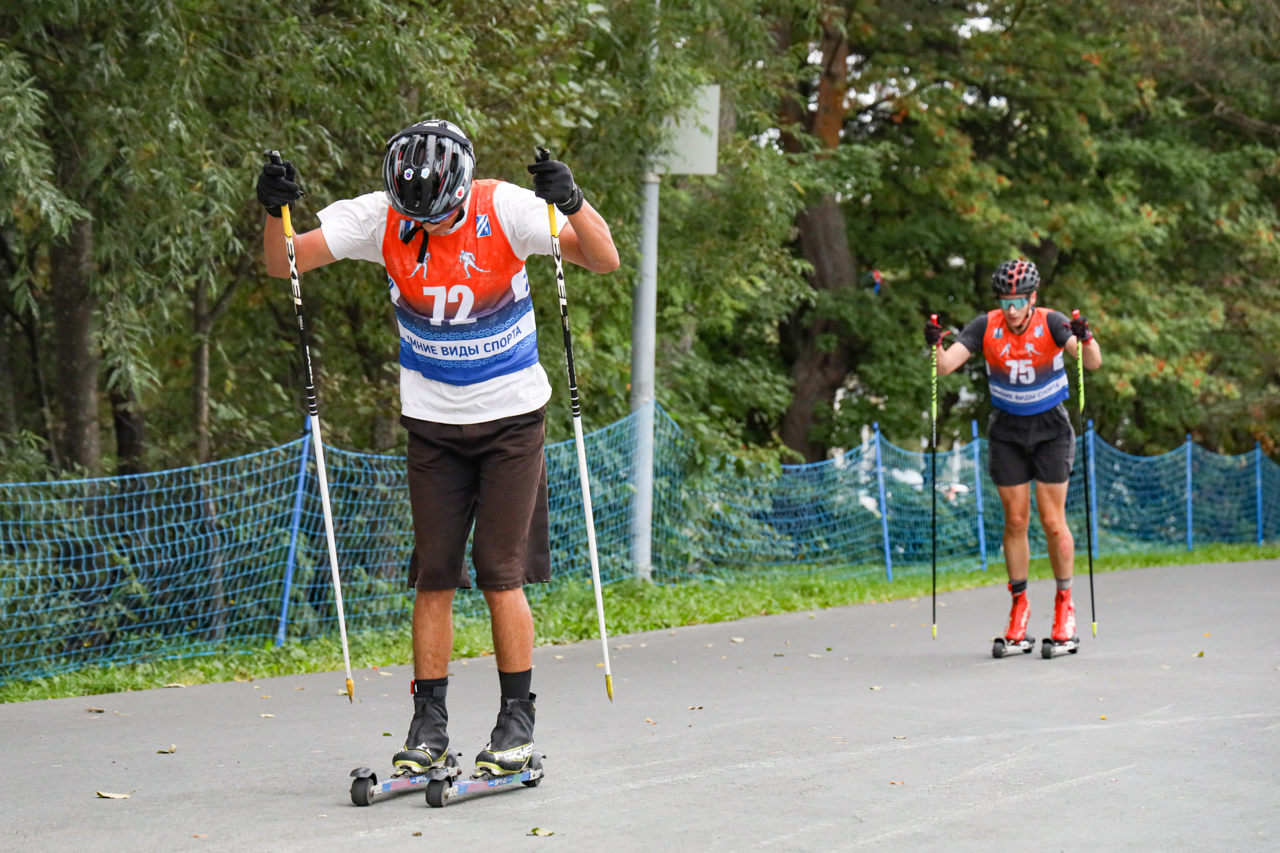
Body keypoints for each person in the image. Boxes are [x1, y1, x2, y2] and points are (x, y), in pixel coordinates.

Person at [257, 120, 619, 775]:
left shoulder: (504, 207)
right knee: (435, 576)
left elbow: (602, 257)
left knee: (498, 571)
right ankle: (429, 724)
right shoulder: (383, 216)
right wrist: (272, 211)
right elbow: (285, 261)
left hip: (511, 421)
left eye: (440, 217)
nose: (428, 229)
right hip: (431, 426)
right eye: (414, 218)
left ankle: (516, 719)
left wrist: (573, 202)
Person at [924, 260, 1101, 654]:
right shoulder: (986, 325)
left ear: (1032, 298)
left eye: (1019, 300)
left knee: (1053, 521)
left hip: (1051, 431)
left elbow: (1092, 362)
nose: (1013, 309)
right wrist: (935, 343)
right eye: (1006, 301)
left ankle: (1064, 609)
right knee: (1015, 520)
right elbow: (947, 366)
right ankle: (1019, 609)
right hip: (1007, 432)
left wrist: (1086, 338)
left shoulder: (1051, 322)